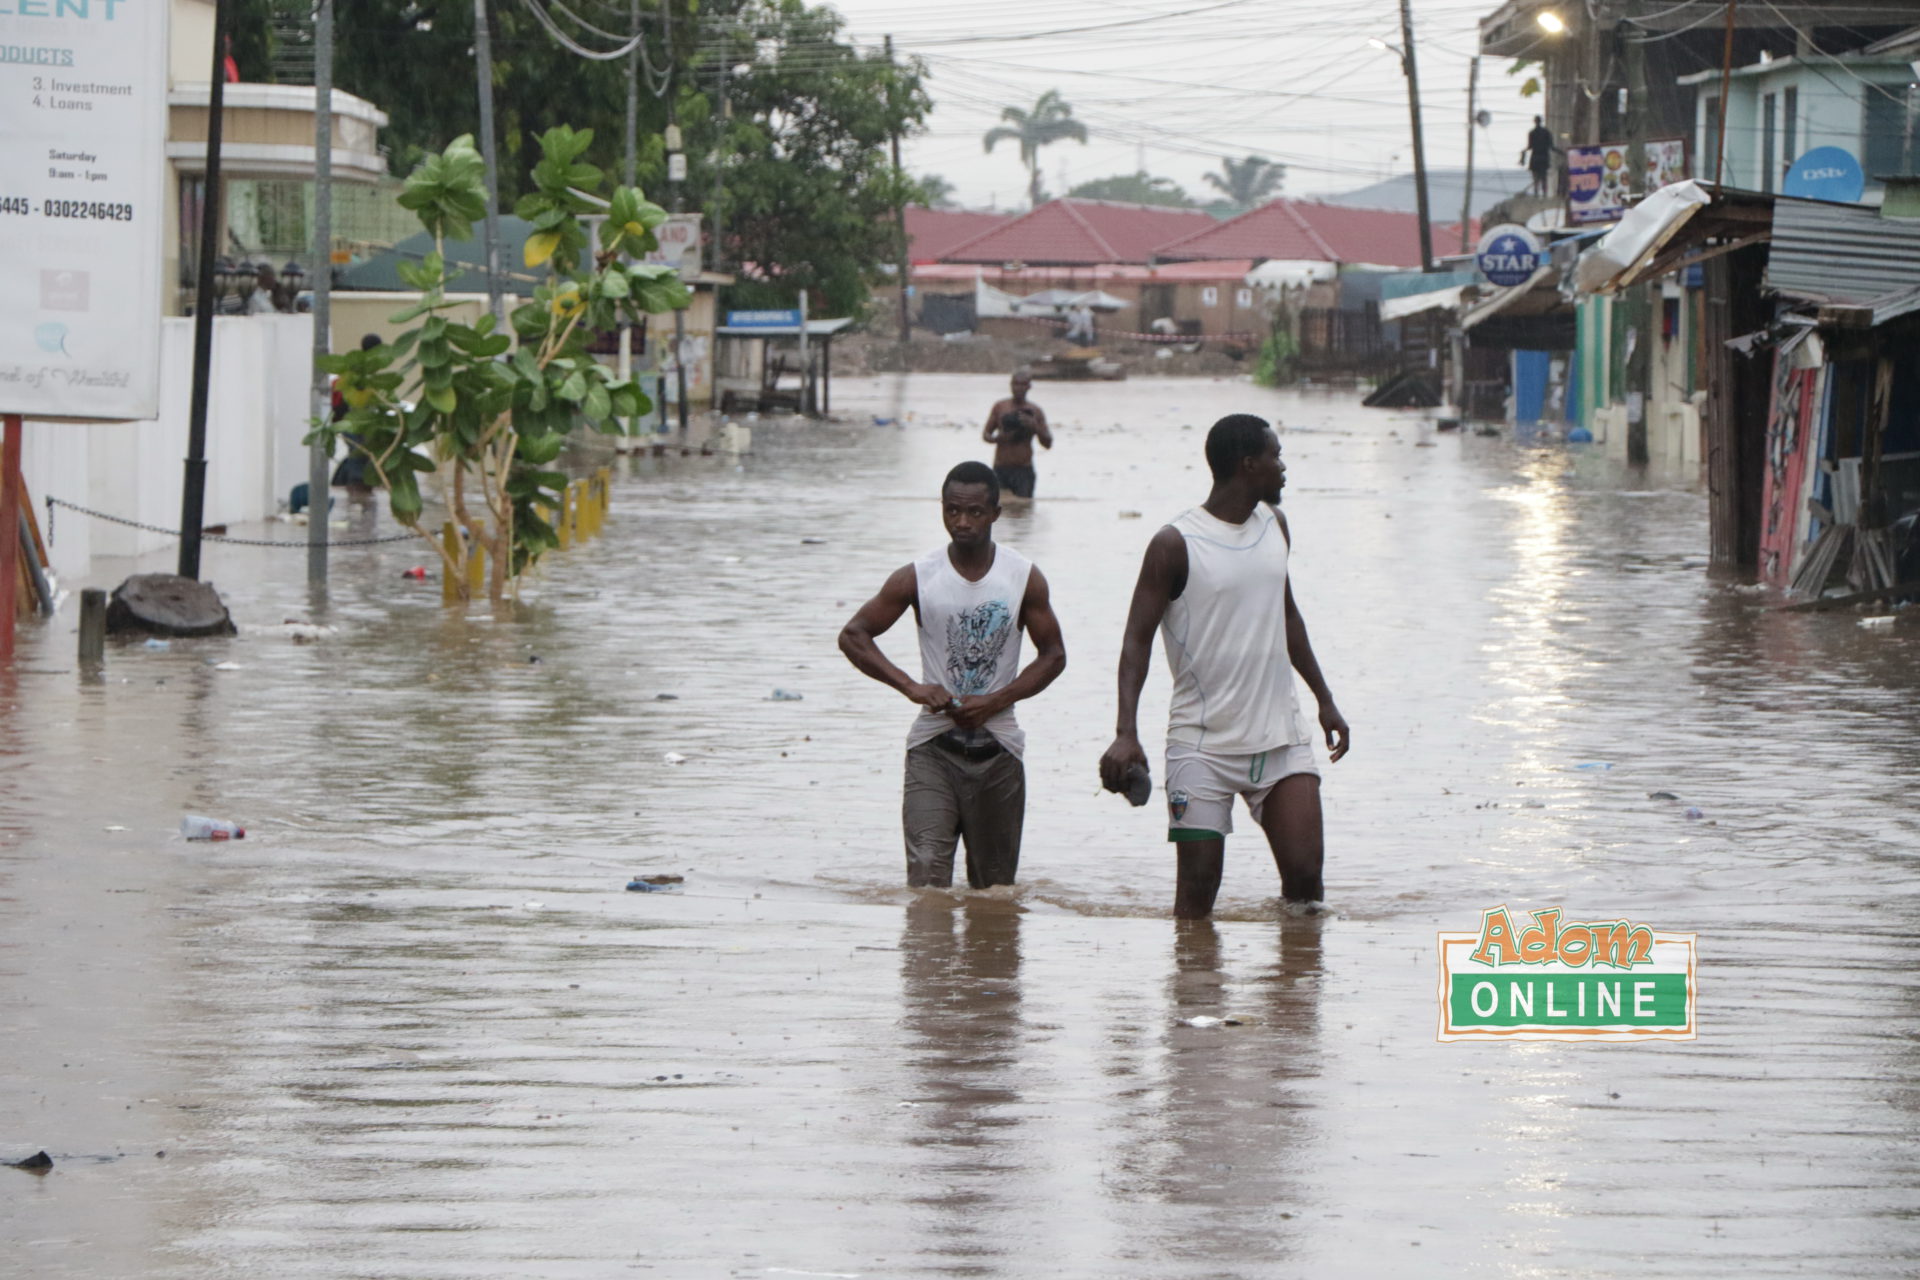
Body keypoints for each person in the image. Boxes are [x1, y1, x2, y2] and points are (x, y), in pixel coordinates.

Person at [1098, 414, 1351, 919]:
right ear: (1248, 464)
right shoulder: (1175, 544)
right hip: (1201, 748)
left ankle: (1294, 989)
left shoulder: (1275, 526)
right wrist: (1125, 732)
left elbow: (1288, 616)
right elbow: (1135, 642)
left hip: (1281, 739)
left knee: (1306, 886)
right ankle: (1195, 991)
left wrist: (1325, 699)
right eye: (1276, 456)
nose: (1284, 468)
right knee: (1196, 899)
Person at [839, 461, 1067, 890]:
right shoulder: (919, 576)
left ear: (996, 513)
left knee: (994, 892)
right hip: (933, 747)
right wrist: (912, 687)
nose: (962, 522)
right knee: (926, 881)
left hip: (999, 748)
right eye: (952, 511)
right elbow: (854, 635)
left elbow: (1053, 656)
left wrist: (996, 700)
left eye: (975, 512)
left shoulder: (1022, 577)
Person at [982, 369, 1052, 500]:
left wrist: (1034, 426)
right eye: (1015, 384)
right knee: (998, 510)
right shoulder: (1000, 407)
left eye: (1022, 384)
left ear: (1029, 386)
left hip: (1024, 470)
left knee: (1024, 508)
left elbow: (1048, 443)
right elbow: (986, 434)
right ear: (1011, 385)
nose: (1018, 388)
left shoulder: (1036, 411)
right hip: (1000, 468)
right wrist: (998, 439)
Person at [1521, 116, 1559, 198]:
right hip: (1543, 159)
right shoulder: (1546, 132)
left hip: (1535, 159)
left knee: (1536, 179)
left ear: (1535, 122)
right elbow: (1552, 147)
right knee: (1543, 178)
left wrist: (1523, 153)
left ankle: (1537, 194)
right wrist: (1561, 152)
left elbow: (1529, 147)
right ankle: (1543, 194)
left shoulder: (1532, 133)